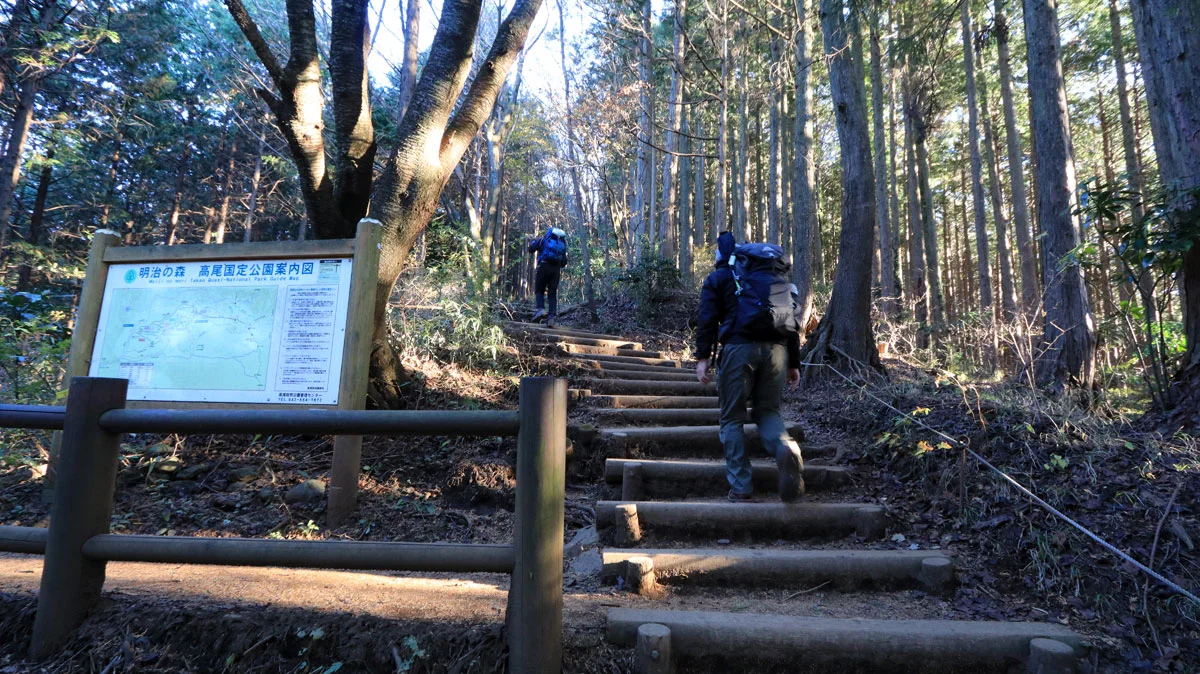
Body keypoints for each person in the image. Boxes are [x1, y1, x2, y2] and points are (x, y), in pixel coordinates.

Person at [694, 231, 805, 503]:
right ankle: (785, 448)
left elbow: (707, 318)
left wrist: (703, 358)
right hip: (777, 351)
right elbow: (789, 325)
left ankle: (741, 486)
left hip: (738, 349)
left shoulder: (720, 278)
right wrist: (793, 363)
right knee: (767, 411)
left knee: (732, 417)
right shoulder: (775, 281)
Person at [528, 227, 568, 327]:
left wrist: (534, 242)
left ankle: (541, 309)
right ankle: (551, 318)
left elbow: (531, 249)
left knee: (539, 289)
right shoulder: (562, 245)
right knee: (552, 293)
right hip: (556, 270)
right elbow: (564, 262)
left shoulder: (543, 240)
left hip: (544, 266)